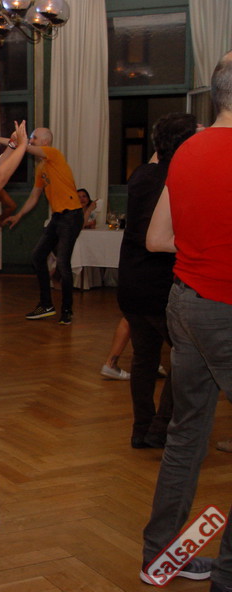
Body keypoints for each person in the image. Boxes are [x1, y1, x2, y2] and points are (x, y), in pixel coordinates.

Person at [140, 52, 232, 589]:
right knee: (188, 432)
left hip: (185, 303)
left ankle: (159, 557)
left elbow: (157, 238)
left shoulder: (186, 151)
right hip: (224, 308)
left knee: (186, 434)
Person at [119, 112, 195, 451]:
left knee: (144, 359)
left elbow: (160, 154)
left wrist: (167, 138)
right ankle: (160, 427)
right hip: (161, 284)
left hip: (131, 282)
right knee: (185, 357)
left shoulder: (141, 175)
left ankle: (141, 428)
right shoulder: (181, 178)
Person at [0, 127, 83, 325]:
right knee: (38, 256)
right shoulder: (41, 167)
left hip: (72, 215)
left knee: (63, 263)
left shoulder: (53, 154)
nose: (31, 140)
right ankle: (46, 305)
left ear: (44, 141)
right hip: (58, 217)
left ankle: (67, 310)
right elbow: (34, 196)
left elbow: (24, 147)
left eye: (33, 138)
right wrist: (18, 216)